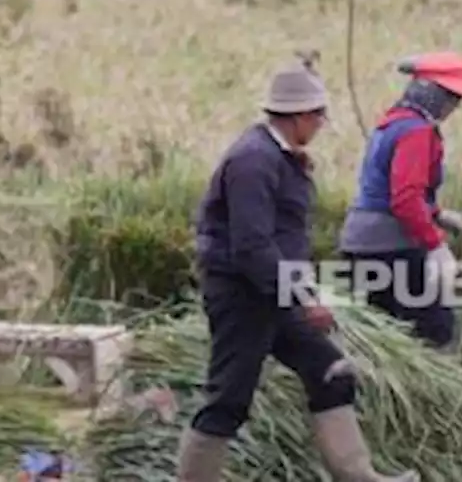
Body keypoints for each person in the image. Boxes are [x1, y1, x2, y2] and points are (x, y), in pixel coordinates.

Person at [177, 62, 414, 482]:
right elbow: (253, 247)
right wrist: (304, 298)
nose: (322, 125)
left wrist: (299, 291)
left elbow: (280, 240)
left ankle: (359, 477)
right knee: (228, 399)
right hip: (243, 296)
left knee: (332, 372)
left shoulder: (281, 157)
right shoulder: (252, 160)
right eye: (319, 116)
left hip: (275, 292)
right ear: (301, 116)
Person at [339, 51, 462, 350]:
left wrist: (437, 212)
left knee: (384, 338)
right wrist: (436, 245)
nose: (454, 106)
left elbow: (388, 187)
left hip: (362, 243)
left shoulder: (394, 122)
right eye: (452, 97)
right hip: (389, 247)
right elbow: (405, 198)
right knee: (432, 332)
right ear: (432, 94)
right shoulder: (416, 132)